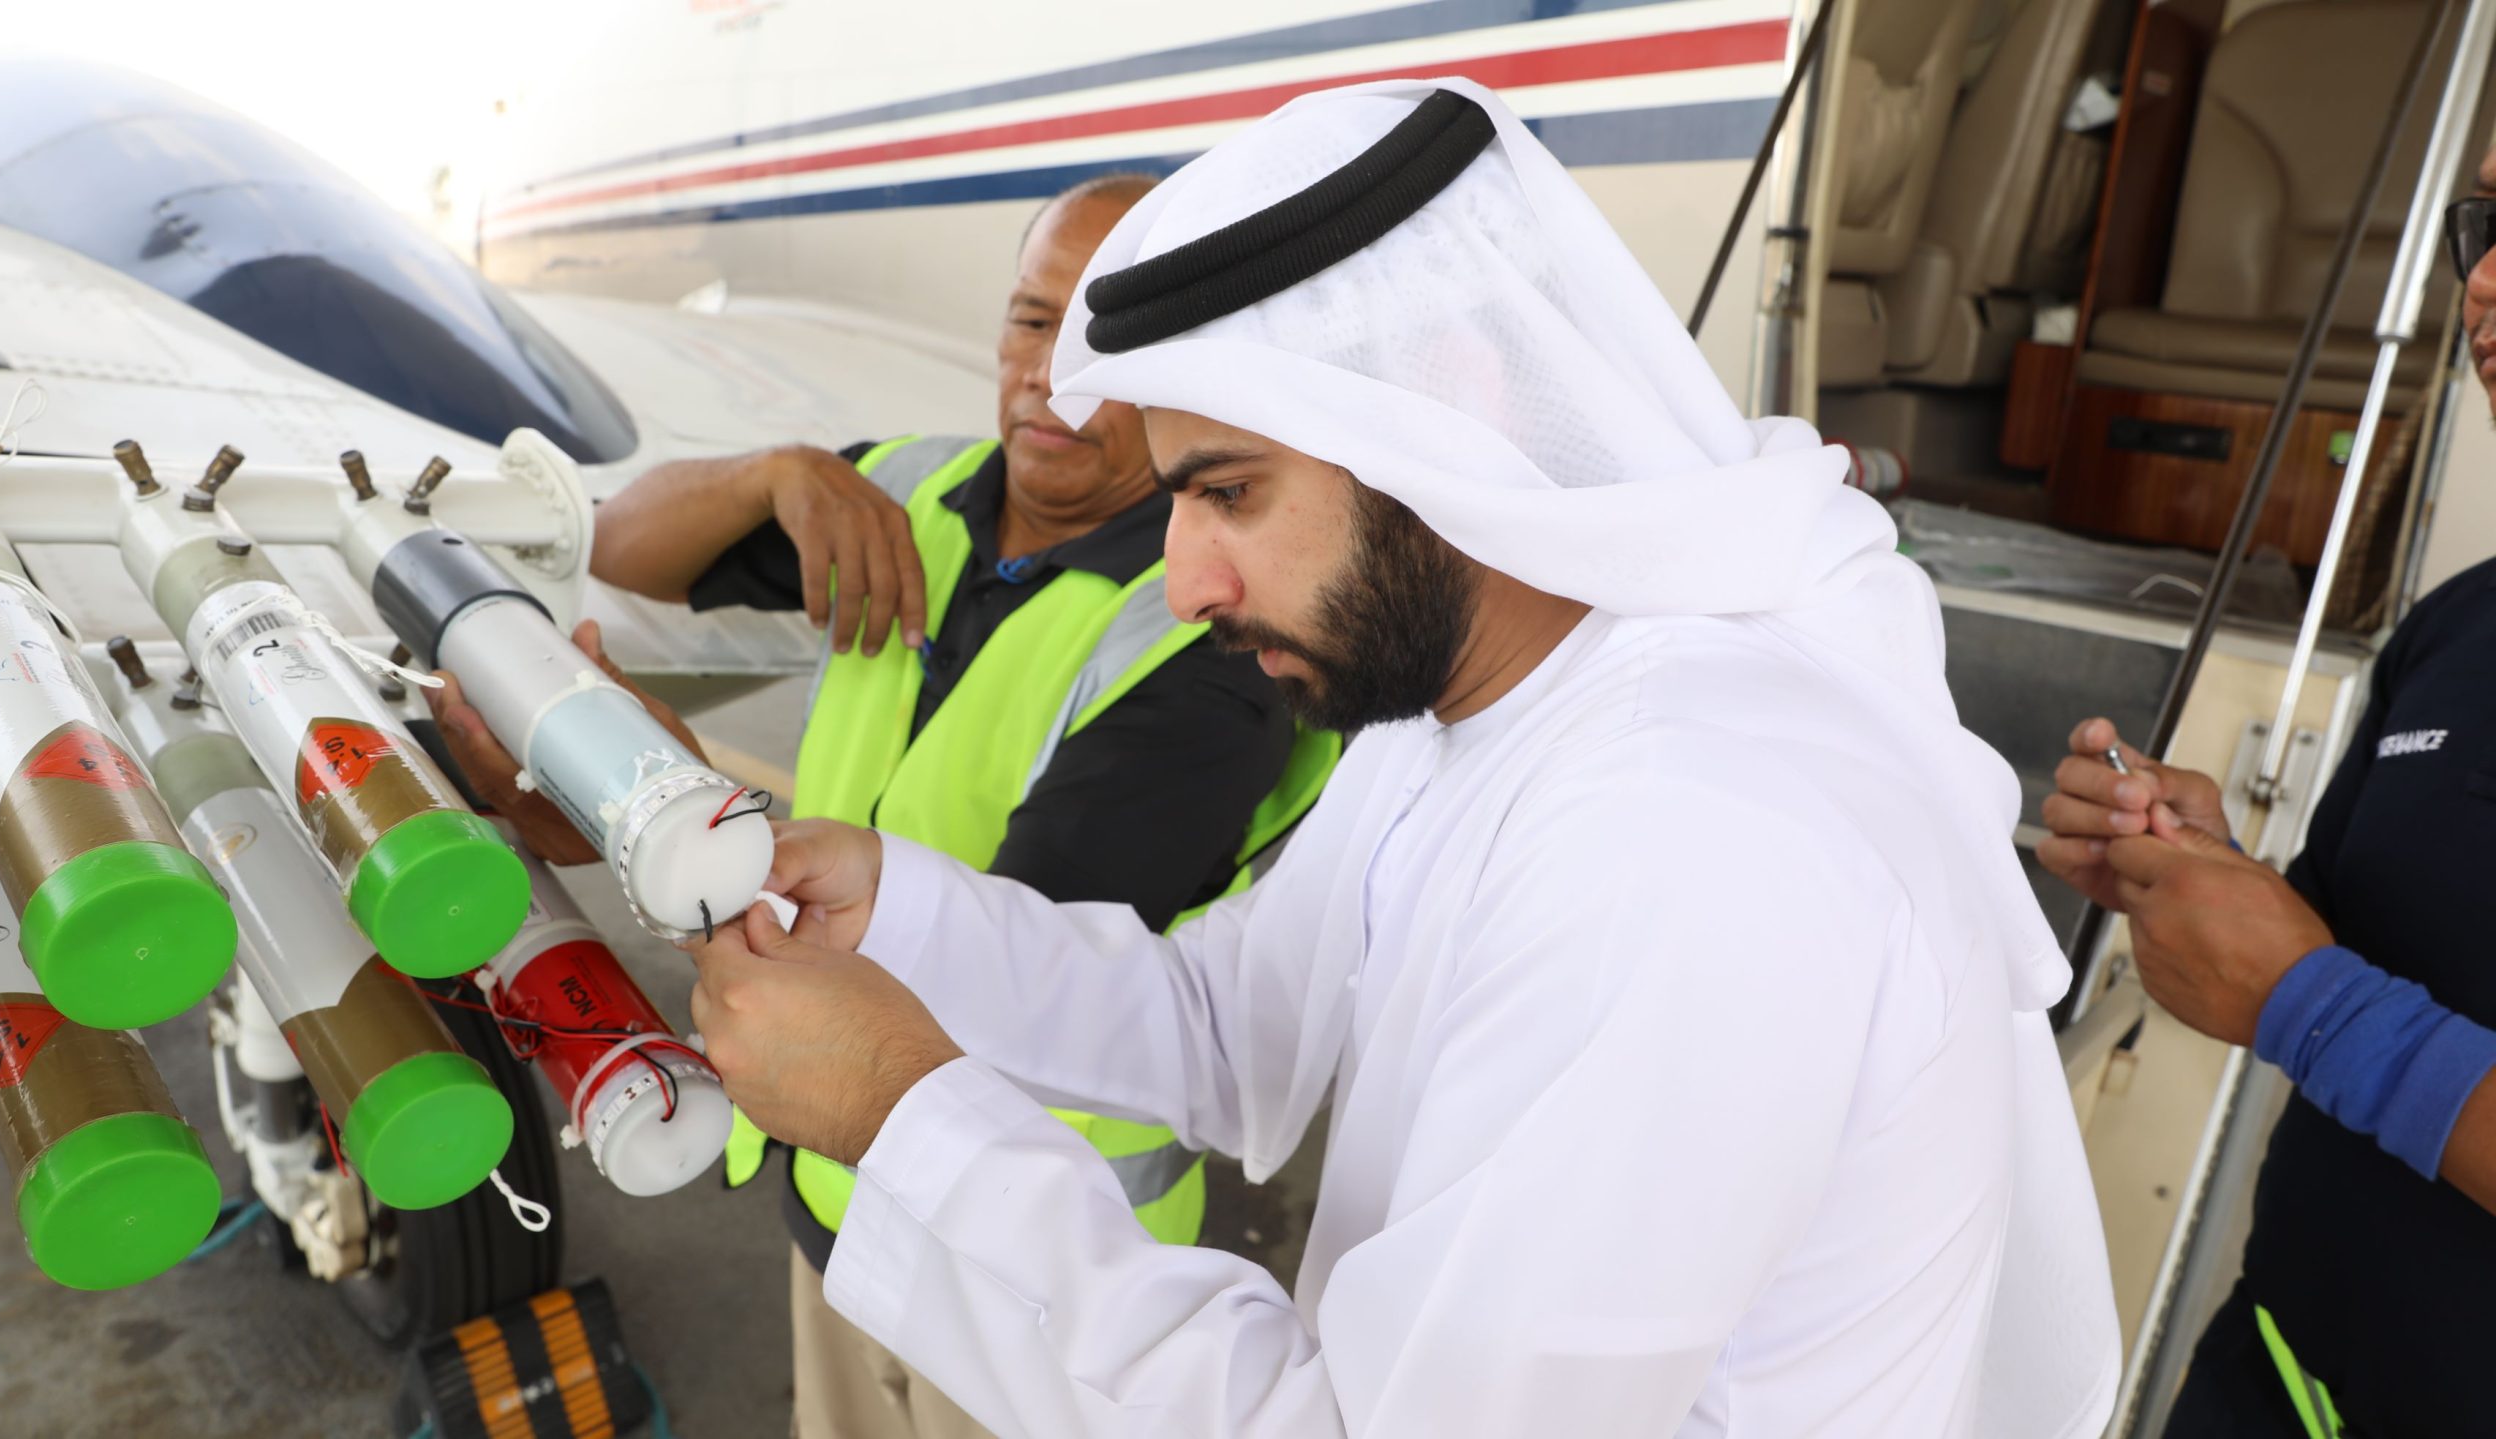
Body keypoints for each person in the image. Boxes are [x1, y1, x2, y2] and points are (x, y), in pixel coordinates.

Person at [684, 79, 2121, 1438]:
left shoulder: (1688, 828)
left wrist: (906, 1115)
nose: (1182, 583)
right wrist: (902, 913)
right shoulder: (1473, 698)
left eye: (1228, 494)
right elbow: (1227, 1018)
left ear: (1439, 408)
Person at [431, 172, 1337, 1439]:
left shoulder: (1200, 640)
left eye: (1108, 345)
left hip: (1057, 1295)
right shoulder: (914, 489)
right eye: (1032, 321)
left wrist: (651, 798)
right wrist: (777, 474)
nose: (1050, 379)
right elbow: (621, 542)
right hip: (847, 1191)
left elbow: (1002, 967)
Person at [2036, 144, 2496, 1439]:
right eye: (2481, 224)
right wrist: (2206, 863)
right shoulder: (2458, 624)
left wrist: (2309, 998)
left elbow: (2325, 993)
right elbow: (2351, 938)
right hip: (2274, 1376)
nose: (2489, 277)